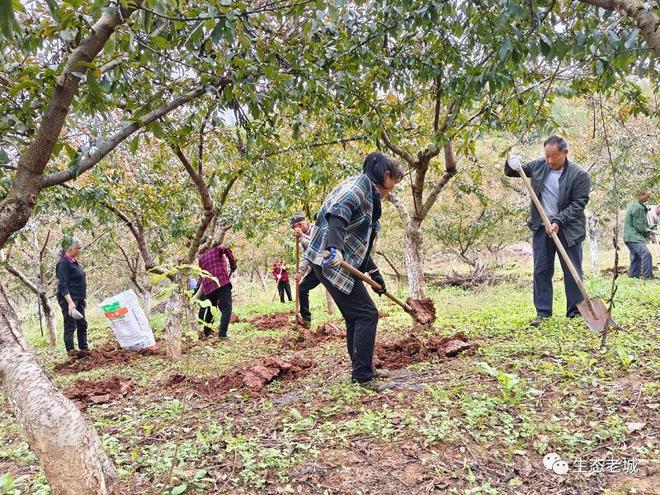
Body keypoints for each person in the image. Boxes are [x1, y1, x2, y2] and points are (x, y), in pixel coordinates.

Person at [305, 151, 405, 392]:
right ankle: (362, 377)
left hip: (338, 259)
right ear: (386, 174)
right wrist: (334, 248)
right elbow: (338, 212)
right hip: (328, 260)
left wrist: (375, 275)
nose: (390, 191)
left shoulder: (369, 194)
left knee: (356, 316)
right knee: (366, 314)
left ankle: (362, 367)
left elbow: (359, 244)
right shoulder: (357, 188)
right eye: (392, 185)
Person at [505, 136, 591, 326]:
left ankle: (575, 312)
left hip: (569, 229)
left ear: (565, 153)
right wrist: (512, 162)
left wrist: (558, 220)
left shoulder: (579, 175)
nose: (550, 161)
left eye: (554, 156)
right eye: (547, 156)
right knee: (541, 270)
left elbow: (578, 204)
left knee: (572, 271)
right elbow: (513, 172)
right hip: (541, 227)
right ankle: (543, 313)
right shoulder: (538, 166)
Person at [56, 236, 90, 358]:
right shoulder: (63, 263)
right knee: (70, 325)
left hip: (78, 298)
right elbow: (63, 285)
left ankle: (84, 350)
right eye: (78, 248)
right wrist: (70, 302)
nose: (80, 250)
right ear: (71, 248)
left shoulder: (72, 261)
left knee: (82, 324)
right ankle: (71, 353)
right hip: (69, 299)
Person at [197, 241, 237, 341]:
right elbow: (225, 247)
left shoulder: (201, 256)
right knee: (226, 307)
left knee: (211, 308)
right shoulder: (217, 248)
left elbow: (201, 273)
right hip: (221, 281)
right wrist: (233, 263)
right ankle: (222, 335)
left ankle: (206, 333)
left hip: (208, 285)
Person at [291, 213, 320, 328]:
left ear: (304, 221)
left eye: (299, 224)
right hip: (316, 269)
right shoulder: (302, 237)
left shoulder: (317, 229)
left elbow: (316, 247)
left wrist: (302, 236)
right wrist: (300, 273)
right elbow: (307, 256)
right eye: (295, 226)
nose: (299, 227)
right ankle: (306, 320)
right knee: (302, 288)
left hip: (327, 267)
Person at [623, 190, 655, 279]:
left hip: (628, 237)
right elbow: (639, 226)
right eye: (647, 196)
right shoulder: (638, 207)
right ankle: (647, 277)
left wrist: (651, 227)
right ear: (641, 195)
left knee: (636, 257)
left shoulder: (633, 205)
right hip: (634, 237)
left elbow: (640, 223)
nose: (648, 198)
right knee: (646, 254)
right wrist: (649, 231)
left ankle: (633, 277)